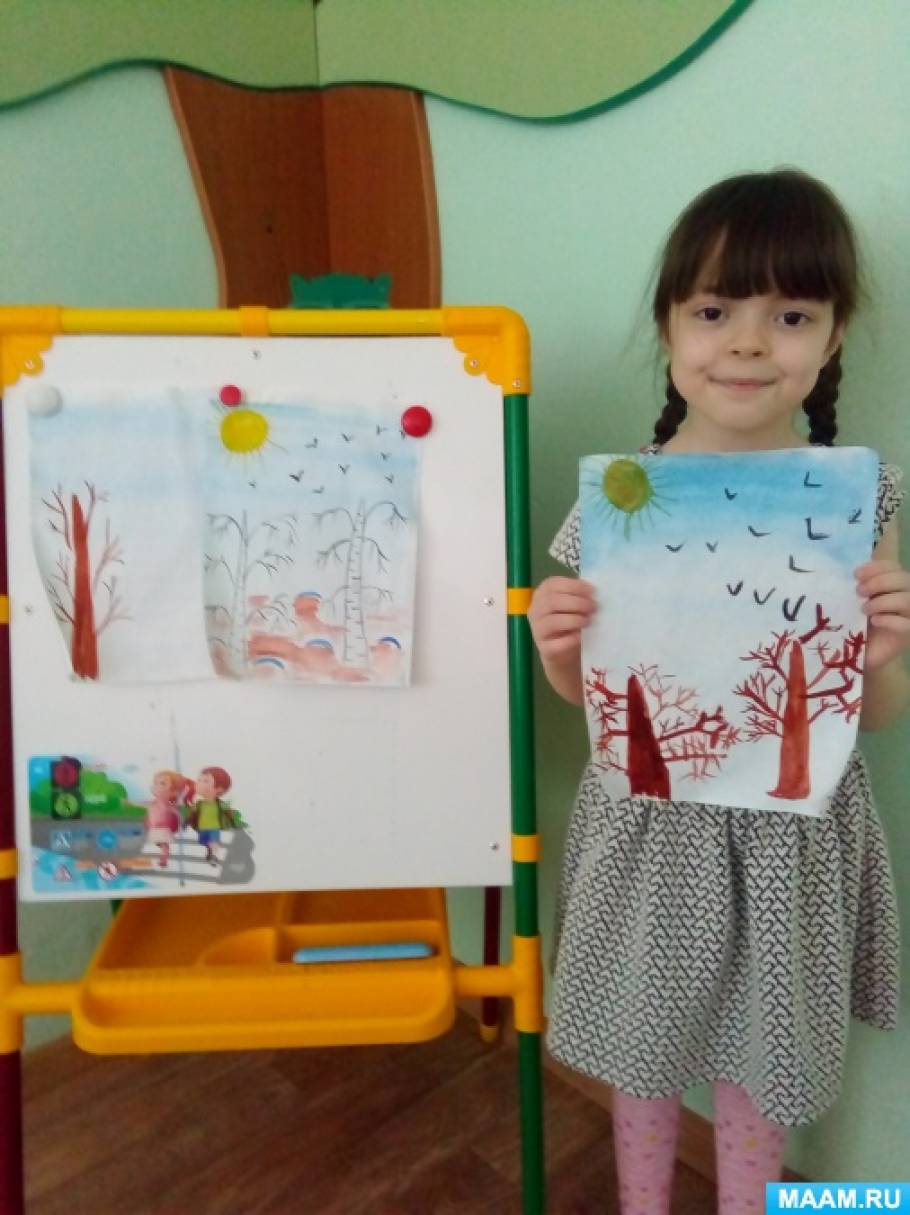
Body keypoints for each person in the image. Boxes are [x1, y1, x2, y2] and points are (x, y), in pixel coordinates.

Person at [528, 169, 910, 1214]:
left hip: (794, 834)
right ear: (667, 328)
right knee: (642, 1049)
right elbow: (593, 703)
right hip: (654, 826)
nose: (747, 343)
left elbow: (874, 717)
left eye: (790, 315)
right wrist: (556, 647)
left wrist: (881, 653)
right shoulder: (621, 496)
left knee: (764, 1057)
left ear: (832, 336)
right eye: (713, 312)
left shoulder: (858, 499)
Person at [187, 766, 238, 866]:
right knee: (205, 842)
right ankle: (210, 852)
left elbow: (227, 812)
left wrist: (232, 820)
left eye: (205, 781)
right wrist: (188, 820)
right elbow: (193, 814)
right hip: (202, 827)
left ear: (219, 788)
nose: (199, 783)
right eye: (199, 780)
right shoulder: (199, 804)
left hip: (214, 827)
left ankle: (214, 855)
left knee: (214, 842)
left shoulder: (219, 804)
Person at [145, 769, 187, 868]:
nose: (156, 786)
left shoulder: (167, 805)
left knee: (164, 845)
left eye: (162, 783)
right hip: (155, 829)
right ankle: (164, 856)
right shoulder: (152, 803)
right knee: (161, 844)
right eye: (155, 783)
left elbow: (177, 814)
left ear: (173, 791)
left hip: (163, 829)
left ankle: (163, 860)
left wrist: (181, 822)